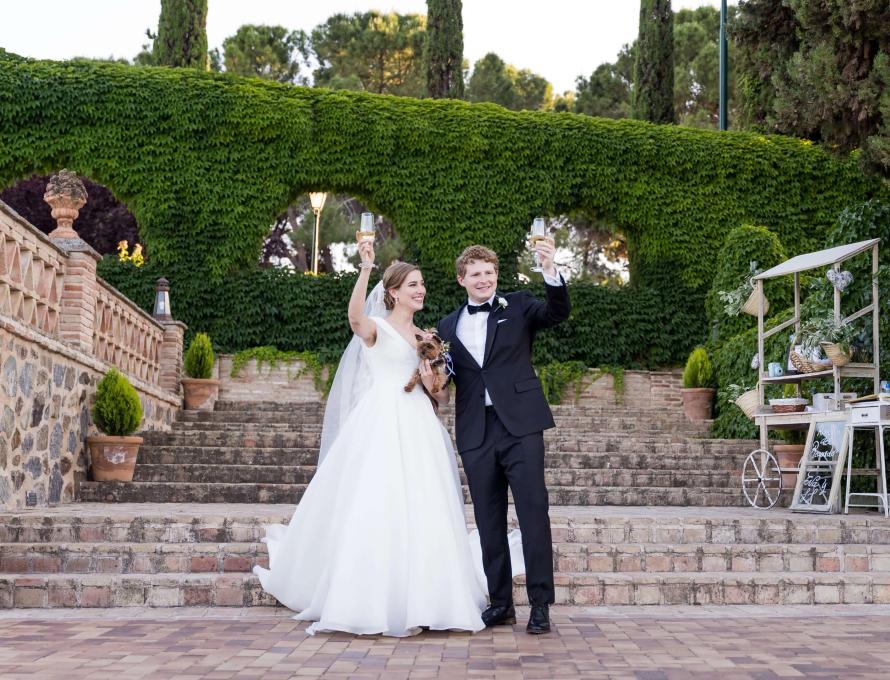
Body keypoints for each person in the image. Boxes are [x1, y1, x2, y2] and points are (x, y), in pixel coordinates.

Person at [253, 236, 487, 637]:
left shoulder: (426, 337)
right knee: (377, 502)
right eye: (412, 284)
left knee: (423, 504)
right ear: (393, 292)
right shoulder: (376, 328)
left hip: (418, 424)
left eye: (422, 284)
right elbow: (354, 318)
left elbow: (438, 392)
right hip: (380, 420)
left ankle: (429, 597)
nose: (421, 289)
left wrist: (434, 379)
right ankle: (367, 596)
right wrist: (364, 268)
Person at [437, 241, 570, 634]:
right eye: (476, 273)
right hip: (475, 430)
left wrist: (550, 269)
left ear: (497, 276)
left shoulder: (520, 305)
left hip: (521, 427)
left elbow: (558, 312)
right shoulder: (446, 326)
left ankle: (540, 605)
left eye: (489, 272)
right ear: (462, 279)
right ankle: (500, 603)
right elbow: (446, 376)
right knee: (488, 521)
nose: (484, 279)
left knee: (533, 514)